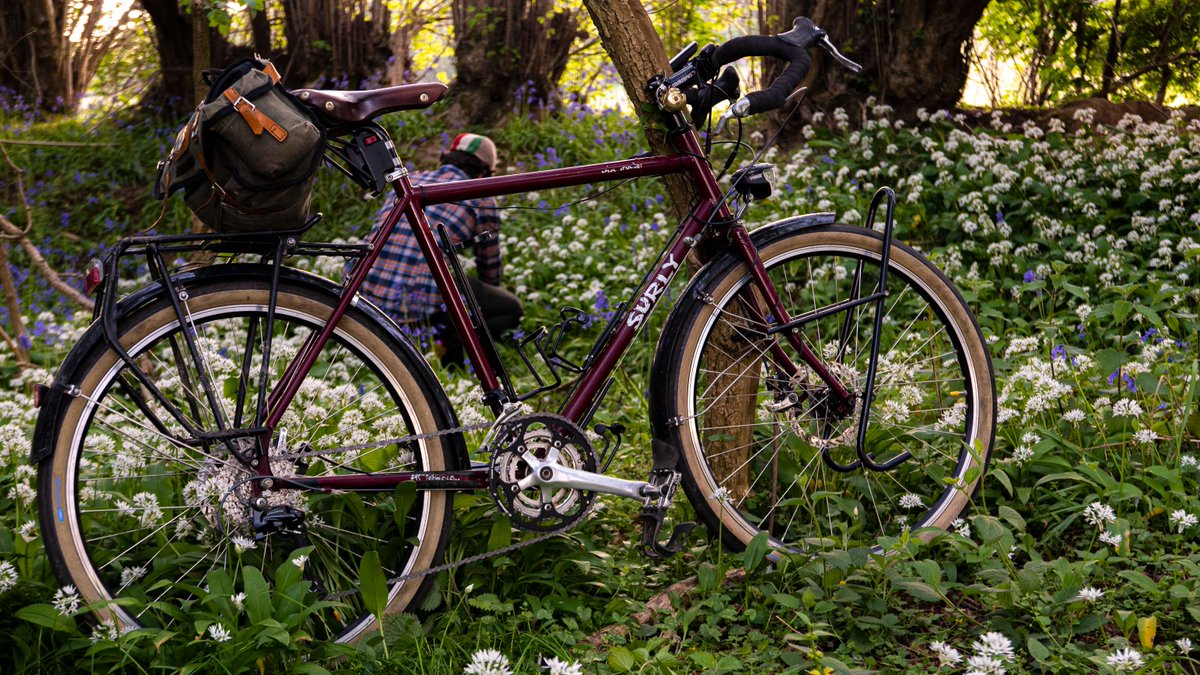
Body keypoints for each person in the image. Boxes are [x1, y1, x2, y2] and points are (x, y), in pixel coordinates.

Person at [357, 133, 523, 364]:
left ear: (448, 157)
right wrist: (485, 297)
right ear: (483, 172)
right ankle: (450, 346)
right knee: (510, 308)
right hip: (416, 307)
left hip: (361, 293)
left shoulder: (412, 181)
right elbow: (489, 268)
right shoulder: (482, 199)